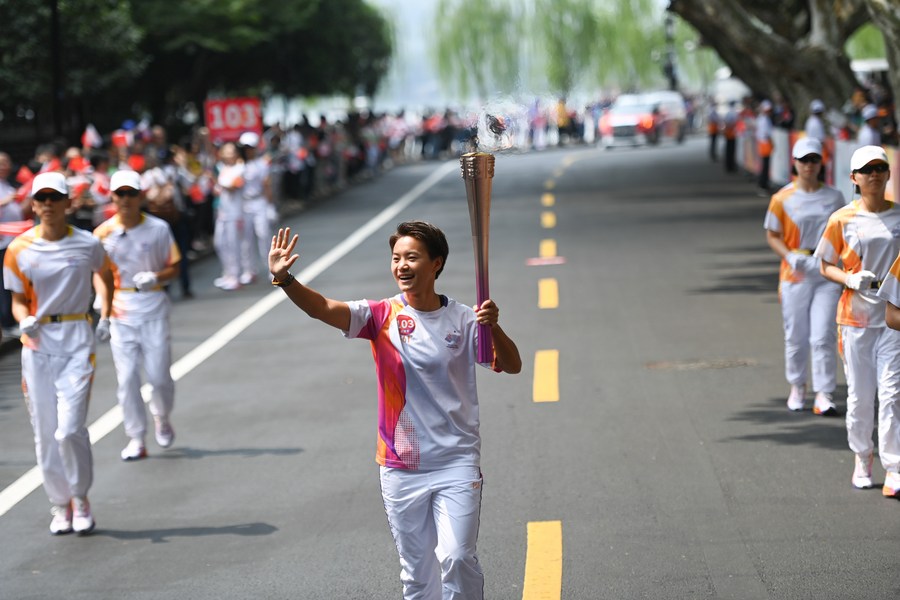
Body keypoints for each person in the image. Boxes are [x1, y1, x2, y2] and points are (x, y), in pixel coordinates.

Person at [268, 221, 521, 599]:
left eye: (412, 257)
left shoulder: (465, 318)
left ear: (436, 264)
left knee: (456, 556)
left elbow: (512, 365)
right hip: (402, 466)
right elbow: (322, 308)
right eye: (396, 258)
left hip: (456, 460)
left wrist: (493, 327)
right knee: (417, 573)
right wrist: (285, 279)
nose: (401, 265)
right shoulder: (380, 316)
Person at [2, 171, 114, 535]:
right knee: (46, 432)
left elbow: (105, 274)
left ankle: (80, 497)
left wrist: (104, 310)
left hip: (77, 337)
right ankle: (60, 503)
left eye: (54, 197)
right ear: (33, 205)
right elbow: (18, 299)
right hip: (38, 345)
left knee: (68, 429)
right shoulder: (19, 249)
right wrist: (24, 319)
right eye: (42, 198)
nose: (48, 204)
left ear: (68, 203)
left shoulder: (87, 243)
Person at [816, 145, 900, 494]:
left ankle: (894, 468)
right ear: (854, 178)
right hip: (855, 320)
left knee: (892, 395)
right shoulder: (841, 219)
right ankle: (862, 455)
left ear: (889, 173)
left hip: (894, 319)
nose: (874, 174)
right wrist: (849, 279)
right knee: (861, 397)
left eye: (880, 168)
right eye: (866, 170)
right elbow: (824, 264)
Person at [94, 170, 180, 461]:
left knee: (158, 377)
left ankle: (162, 416)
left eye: (131, 193)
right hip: (121, 309)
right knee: (128, 378)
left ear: (140, 196)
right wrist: (103, 312)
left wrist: (156, 277)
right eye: (120, 193)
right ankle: (136, 437)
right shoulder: (102, 233)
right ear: (112, 196)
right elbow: (100, 276)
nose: (126, 199)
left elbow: (175, 266)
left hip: (153, 304)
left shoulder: (158, 229)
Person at [765, 138, 845, 414]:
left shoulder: (834, 197)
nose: (809, 165)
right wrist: (790, 256)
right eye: (804, 160)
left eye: (814, 159)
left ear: (821, 162)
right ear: (795, 163)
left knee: (823, 335)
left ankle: (824, 393)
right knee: (796, 335)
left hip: (825, 270)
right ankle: (798, 385)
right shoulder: (782, 198)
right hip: (795, 272)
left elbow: (842, 234)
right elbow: (772, 235)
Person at [237, 132, 274, 284]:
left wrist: (270, 206)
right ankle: (249, 270)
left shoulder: (262, 164)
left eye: (250, 147)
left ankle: (272, 269)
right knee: (246, 238)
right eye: (245, 148)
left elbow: (266, 185)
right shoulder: (238, 165)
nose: (248, 150)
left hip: (259, 202)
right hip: (243, 204)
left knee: (264, 234)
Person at [213, 142, 245, 291]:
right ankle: (228, 273)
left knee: (233, 246)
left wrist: (215, 181)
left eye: (232, 151)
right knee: (219, 244)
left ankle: (235, 277)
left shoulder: (240, 168)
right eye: (226, 151)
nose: (229, 154)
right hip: (222, 213)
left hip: (235, 213)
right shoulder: (223, 169)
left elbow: (233, 187)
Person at [756, 100, 775, 192]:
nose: (769, 112)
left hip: (763, 143)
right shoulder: (764, 119)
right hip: (765, 143)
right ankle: (763, 184)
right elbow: (767, 133)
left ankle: (763, 183)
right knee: (765, 165)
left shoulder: (762, 118)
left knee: (765, 165)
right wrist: (772, 143)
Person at [722, 101, 739, 173]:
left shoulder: (729, 113)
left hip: (729, 134)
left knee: (729, 151)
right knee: (731, 151)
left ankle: (729, 166)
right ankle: (730, 166)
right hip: (731, 134)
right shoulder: (733, 113)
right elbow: (730, 123)